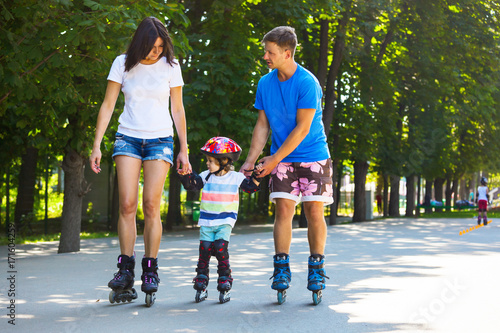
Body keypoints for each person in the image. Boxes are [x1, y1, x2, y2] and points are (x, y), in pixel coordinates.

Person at [89, 16, 191, 306]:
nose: (156, 52)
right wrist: (96, 144)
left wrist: (184, 148)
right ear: (140, 43)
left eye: (161, 47)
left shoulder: (171, 67)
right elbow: (108, 105)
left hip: (160, 140)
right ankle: (125, 270)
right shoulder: (122, 63)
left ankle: (150, 269)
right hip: (128, 138)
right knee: (127, 204)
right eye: (151, 46)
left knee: (151, 204)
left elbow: (178, 109)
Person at [240, 26, 333, 304]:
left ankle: (316, 268)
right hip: (281, 157)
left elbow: (303, 129)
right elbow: (262, 124)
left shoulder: (307, 83)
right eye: (265, 51)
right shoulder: (265, 83)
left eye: (270, 52)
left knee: (313, 212)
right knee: (283, 210)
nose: (265, 56)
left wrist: (274, 159)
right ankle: (281, 268)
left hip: (313, 154)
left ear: (287, 53)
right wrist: (250, 160)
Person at [178, 137, 261, 303]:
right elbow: (192, 185)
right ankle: (201, 282)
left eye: (210, 161)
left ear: (224, 161)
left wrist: (258, 175)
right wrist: (185, 176)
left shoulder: (235, 177)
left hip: (225, 220)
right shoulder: (206, 176)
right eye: (207, 160)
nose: (207, 164)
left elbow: (250, 188)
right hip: (207, 222)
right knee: (205, 250)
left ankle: (225, 280)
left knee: (220, 248)